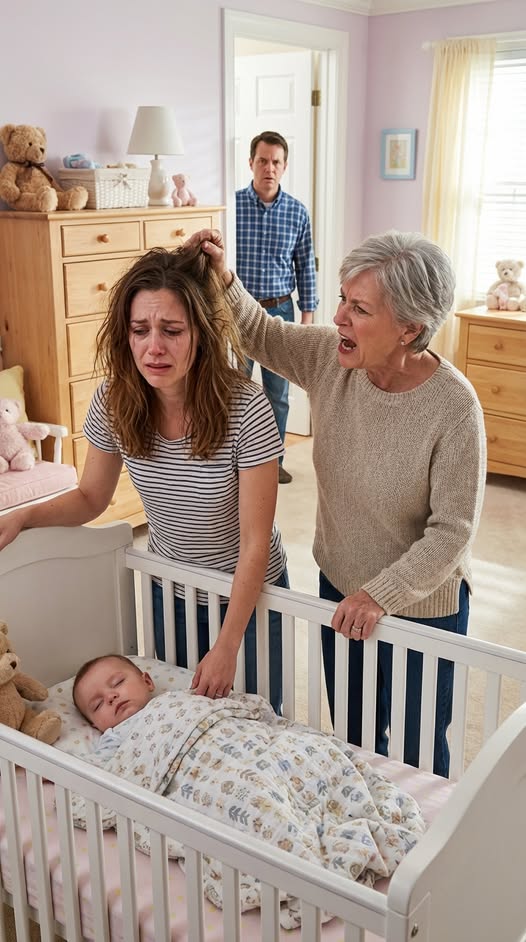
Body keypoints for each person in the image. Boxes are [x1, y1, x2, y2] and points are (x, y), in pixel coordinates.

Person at [189, 226, 487, 778]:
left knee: (420, 750)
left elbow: (452, 532)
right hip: (341, 585)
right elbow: (259, 332)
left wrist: (381, 594)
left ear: (410, 329)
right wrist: (222, 274)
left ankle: (427, 856)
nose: (339, 318)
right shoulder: (331, 357)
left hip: (425, 607)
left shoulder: (455, 408)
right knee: (353, 737)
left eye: (359, 308)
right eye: (343, 300)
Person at [0, 243, 288, 712]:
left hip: (248, 596)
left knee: (252, 717)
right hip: (169, 586)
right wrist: (24, 517)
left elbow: (255, 542)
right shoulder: (115, 401)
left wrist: (228, 644)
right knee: (174, 715)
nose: (154, 347)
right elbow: (91, 498)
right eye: (140, 330)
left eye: (172, 330)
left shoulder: (246, 408)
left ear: (202, 334)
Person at [236, 131, 318, 484]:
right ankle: (236, 461)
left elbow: (305, 266)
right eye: (263, 160)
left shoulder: (297, 212)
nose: (269, 168)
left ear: (284, 167)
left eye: (276, 162)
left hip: (280, 312)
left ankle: (275, 460)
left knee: (277, 394)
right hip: (237, 311)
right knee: (236, 390)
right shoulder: (234, 205)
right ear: (251, 163)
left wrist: (307, 317)